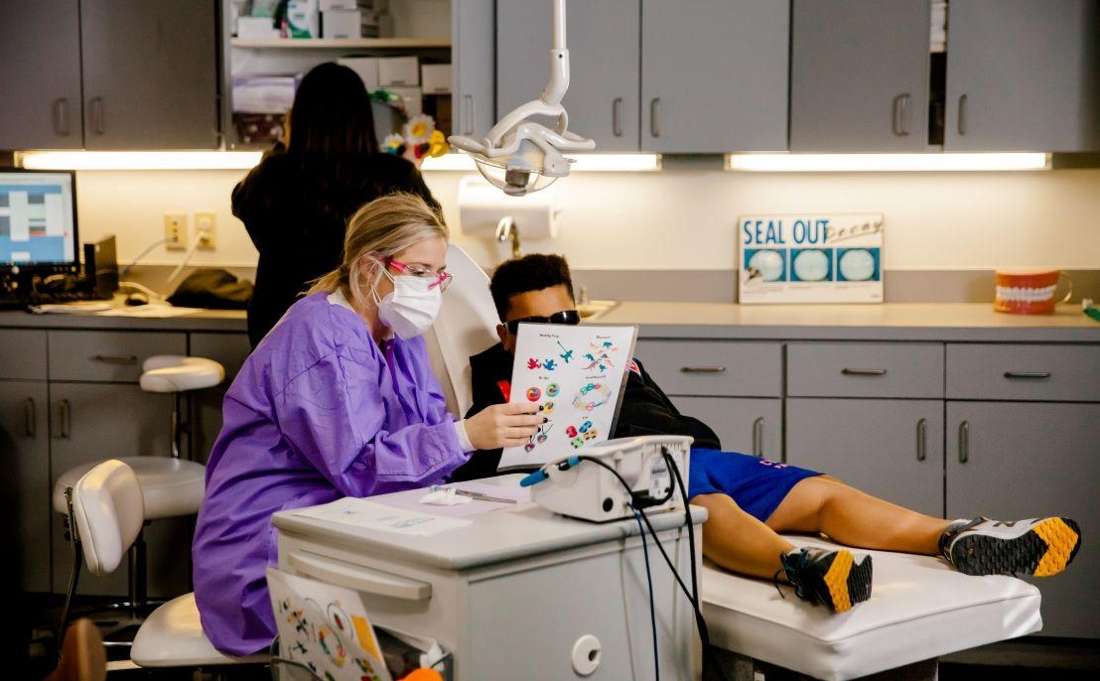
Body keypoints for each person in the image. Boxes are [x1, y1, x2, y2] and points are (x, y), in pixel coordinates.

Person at [457, 254, 1083, 614]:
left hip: (698, 453)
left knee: (822, 493)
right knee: (702, 503)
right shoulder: (489, 376)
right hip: (619, 473)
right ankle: (799, 567)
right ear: (507, 333)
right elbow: (487, 464)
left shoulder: (613, 353)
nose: (560, 331)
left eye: (567, 316)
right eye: (538, 324)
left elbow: (665, 415)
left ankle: (955, 537)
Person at [192, 194, 542, 655]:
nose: (431, 288)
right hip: (266, 548)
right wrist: (464, 435)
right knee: (435, 621)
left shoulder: (395, 331)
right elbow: (360, 465)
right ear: (367, 269)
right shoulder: (321, 338)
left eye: (437, 275)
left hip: (334, 518)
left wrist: (478, 443)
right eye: (418, 273)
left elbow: (425, 428)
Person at [233, 62, 439, 347]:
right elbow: (429, 236)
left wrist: (285, 145)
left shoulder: (271, 177)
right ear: (365, 118)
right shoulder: (393, 177)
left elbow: (243, 205)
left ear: (298, 119)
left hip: (280, 325)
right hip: (364, 325)